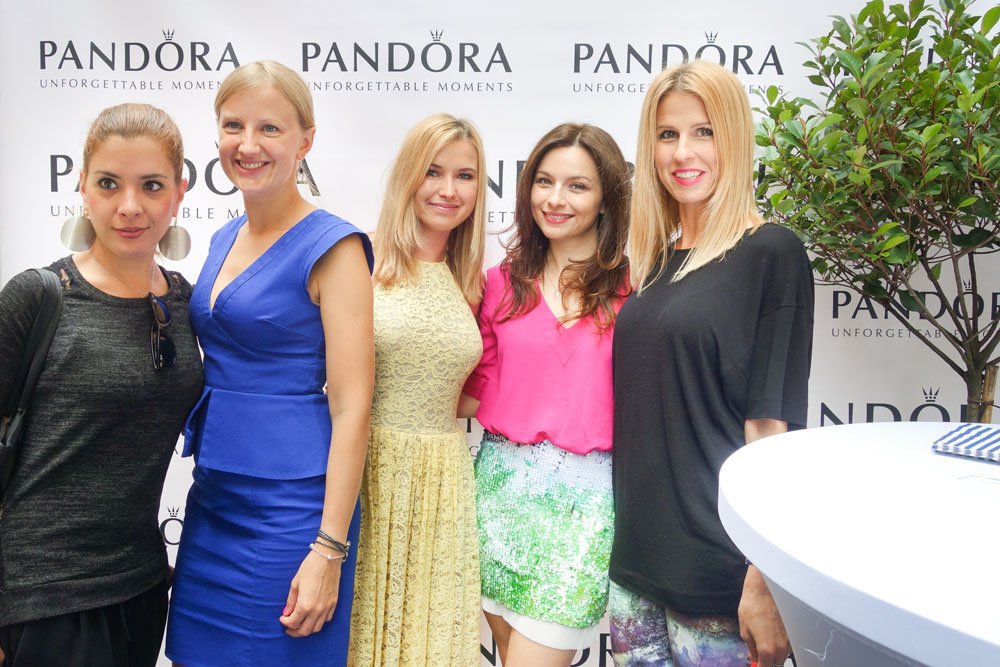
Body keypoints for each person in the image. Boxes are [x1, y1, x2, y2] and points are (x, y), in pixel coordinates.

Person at [165, 61, 374, 667]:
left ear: (305, 140)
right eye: (234, 126)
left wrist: (328, 548)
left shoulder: (335, 247)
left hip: (292, 515)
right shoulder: (222, 238)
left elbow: (353, 404)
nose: (248, 145)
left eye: (270, 129)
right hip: (212, 502)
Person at [609, 60, 815, 667]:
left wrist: (764, 579)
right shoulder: (655, 261)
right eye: (667, 134)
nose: (683, 152)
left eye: (704, 132)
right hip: (635, 569)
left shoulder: (772, 252)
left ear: (735, 139)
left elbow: (770, 428)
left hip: (719, 578)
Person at [0, 103, 203, 667]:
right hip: (46, 595)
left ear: (179, 193)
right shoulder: (39, 295)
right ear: (82, 186)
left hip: (143, 586)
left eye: (151, 185)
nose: (129, 206)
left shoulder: (184, 300)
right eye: (109, 183)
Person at [462, 123, 631, 666]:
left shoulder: (637, 291)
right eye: (544, 181)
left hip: (583, 509)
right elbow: (471, 391)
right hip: (495, 496)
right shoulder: (498, 283)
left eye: (577, 186)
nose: (555, 199)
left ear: (606, 197)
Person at [348, 113, 487, 667]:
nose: (449, 190)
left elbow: (465, 389)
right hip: (367, 469)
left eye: (465, 176)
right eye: (433, 171)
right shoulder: (359, 259)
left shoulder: (472, 280)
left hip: (443, 480)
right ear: (408, 174)